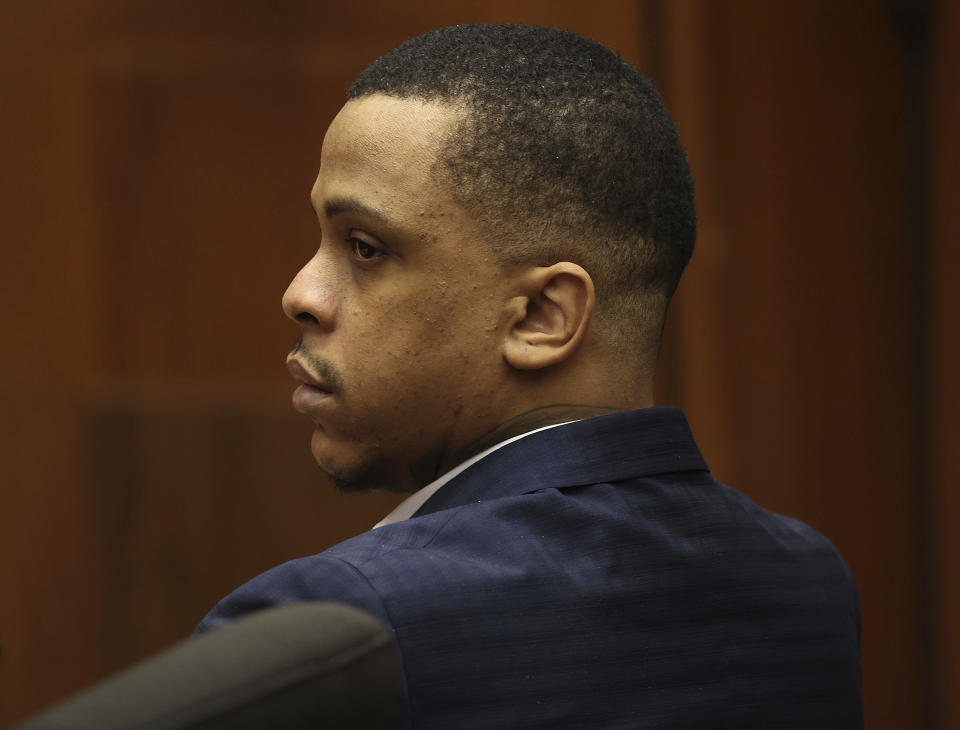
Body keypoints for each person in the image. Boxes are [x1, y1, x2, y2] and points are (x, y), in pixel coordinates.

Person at [197, 24, 863, 728]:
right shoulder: (807, 583)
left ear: (542, 316)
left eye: (366, 248)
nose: (301, 293)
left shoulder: (337, 633)